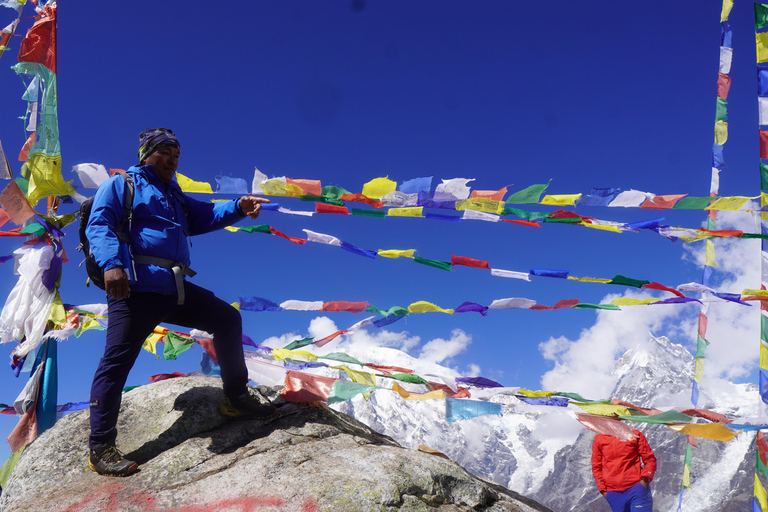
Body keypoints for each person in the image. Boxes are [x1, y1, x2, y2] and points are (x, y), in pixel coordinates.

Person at [85, 128, 275, 477]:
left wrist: (238, 207)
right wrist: (112, 265)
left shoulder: (175, 196)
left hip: (174, 289)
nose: (173, 160)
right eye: (165, 153)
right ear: (147, 154)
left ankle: (235, 398)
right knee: (116, 363)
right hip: (135, 289)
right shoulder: (123, 185)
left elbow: (205, 215)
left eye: (176, 155)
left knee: (227, 320)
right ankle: (101, 448)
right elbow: (100, 224)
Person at [591, 429, 657, 512]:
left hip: (636, 488)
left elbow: (649, 459)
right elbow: (596, 466)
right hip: (613, 493)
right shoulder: (599, 439)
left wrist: (645, 480)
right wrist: (602, 490)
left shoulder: (634, 434)